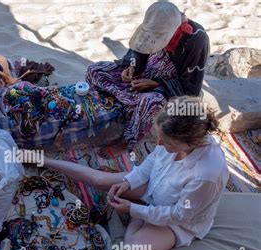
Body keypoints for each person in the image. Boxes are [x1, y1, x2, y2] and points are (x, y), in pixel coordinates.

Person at [41, 96, 229, 250]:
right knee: (100, 181)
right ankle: (43, 160)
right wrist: (128, 182)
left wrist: (134, 210)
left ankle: (136, 214)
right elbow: (151, 163)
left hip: (178, 221)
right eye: (159, 138)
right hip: (156, 187)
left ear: (192, 142)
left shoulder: (206, 175)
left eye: (168, 143)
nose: (159, 145)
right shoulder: (172, 140)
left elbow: (179, 215)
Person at [86, 1, 209, 149]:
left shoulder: (196, 39)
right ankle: (112, 108)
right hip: (145, 73)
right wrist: (131, 67)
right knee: (95, 70)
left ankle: (128, 140)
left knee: (149, 101)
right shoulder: (156, 23)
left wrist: (156, 84)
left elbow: (190, 90)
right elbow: (138, 50)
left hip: (168, 88)